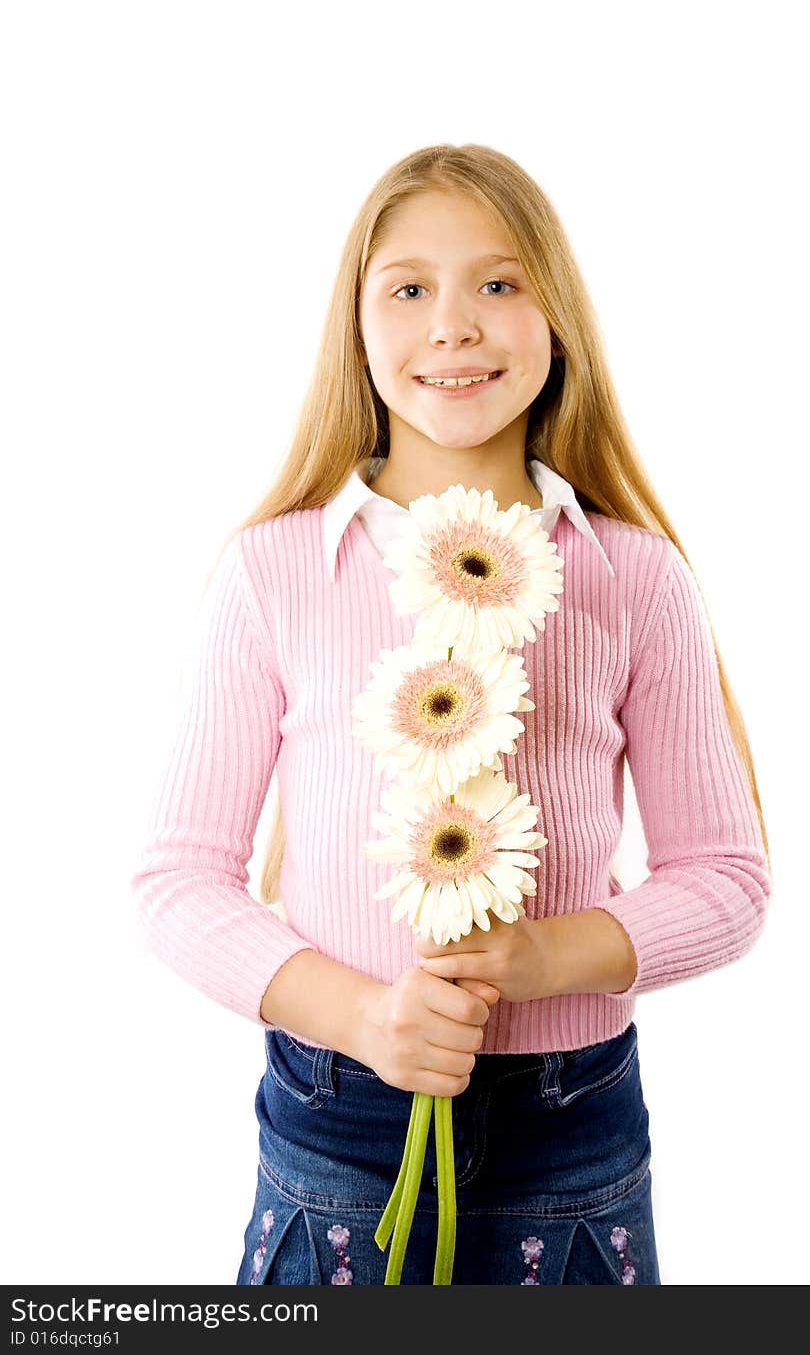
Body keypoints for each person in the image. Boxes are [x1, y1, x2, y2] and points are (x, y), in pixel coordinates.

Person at [130, 144, 773, 1286]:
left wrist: (542, 956)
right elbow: (178, 880)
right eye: (409, 287)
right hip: (339, 1113)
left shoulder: (633, 577)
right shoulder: (274, 571)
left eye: (499, 282)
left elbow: (725, 876)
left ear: (557, 319)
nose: (454, 324)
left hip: (569, 1123)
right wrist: (364, 1017)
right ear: (359, 328)